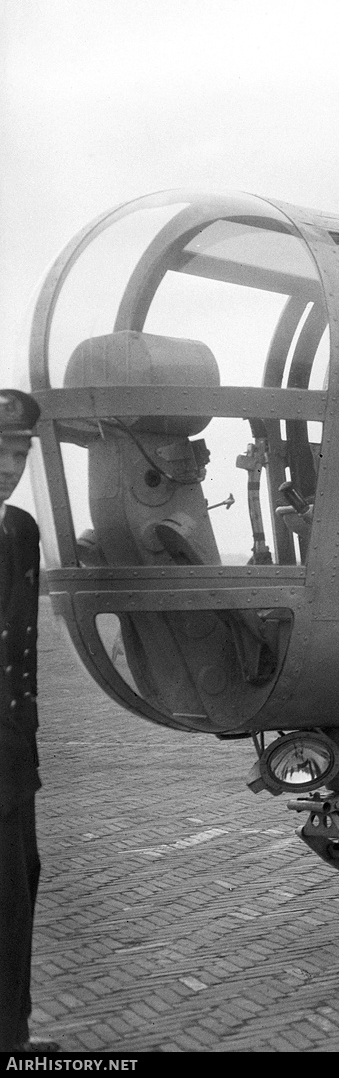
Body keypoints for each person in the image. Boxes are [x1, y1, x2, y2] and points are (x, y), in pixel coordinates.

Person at [0, 389, 54, 1052]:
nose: (8, 466)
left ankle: (13, 1034)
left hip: (13, 754)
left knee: (18, 890)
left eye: (17, 453)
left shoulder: (18, 531)